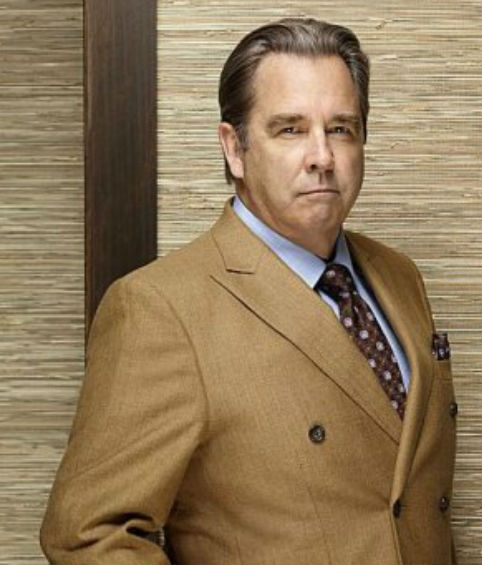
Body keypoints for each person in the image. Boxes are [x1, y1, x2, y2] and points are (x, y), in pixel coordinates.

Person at [41, 17, 457, 565]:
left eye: (340, 128)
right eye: (290, 130)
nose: (322, 156)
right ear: (234, 148)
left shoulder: (400, 277)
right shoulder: (159, 308)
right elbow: (87, 534)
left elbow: (406, 498)